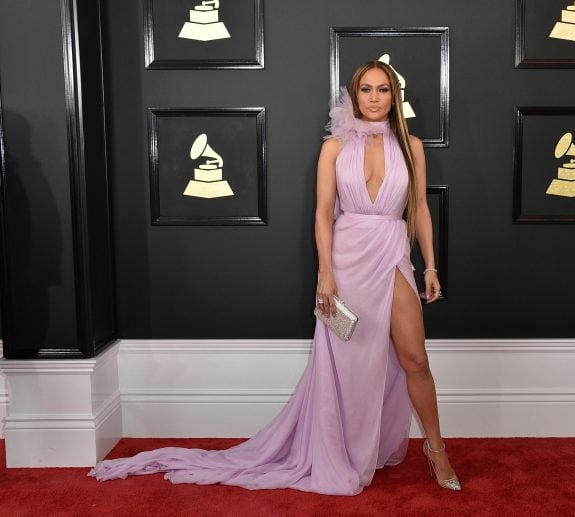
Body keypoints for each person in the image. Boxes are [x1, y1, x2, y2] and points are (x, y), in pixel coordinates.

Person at [88, 60, 459, 495]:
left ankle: (436, 450)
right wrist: (326, 275)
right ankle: (344, 450)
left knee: (414, 359)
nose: (375, 98)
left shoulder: (411, 145)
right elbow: (323, 214)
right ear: (353, 96)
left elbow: (418, 209)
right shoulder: (335, 147)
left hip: (392, 255)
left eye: (383, 89)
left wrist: (431, 265)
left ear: (395, 97)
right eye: (366, 90)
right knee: (348, 366)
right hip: (347, 261)